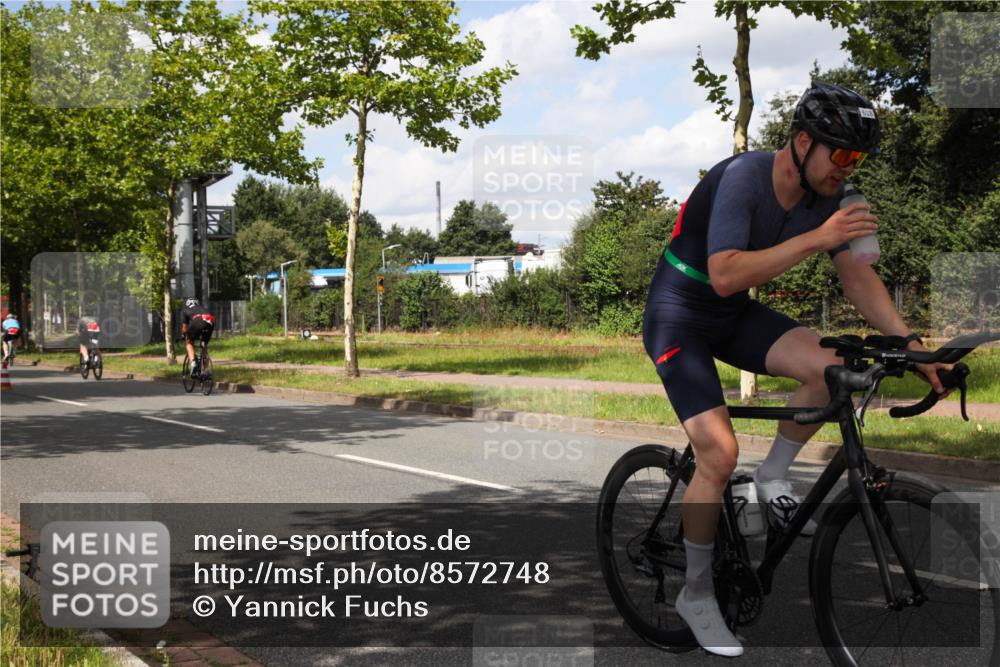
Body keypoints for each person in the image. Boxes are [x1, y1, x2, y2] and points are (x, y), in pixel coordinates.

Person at [642, 81, 951, 657]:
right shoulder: (744, 176)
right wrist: (819, 237)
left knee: (833, 367)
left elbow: (858, 276)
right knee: (719, 454)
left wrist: (912, 346)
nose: (848, 168)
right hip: (678, 313)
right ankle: (696, 593)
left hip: (733, 316)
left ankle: (772, 477)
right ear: (803, 142)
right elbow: (725, 275)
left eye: (858, 158)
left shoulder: (837, 196)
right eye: (842, 153)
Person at [180, 297, 215, 376]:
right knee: (204, 344)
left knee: (189, 342)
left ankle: (193, 363)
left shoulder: (185, 310)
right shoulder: (203, 308)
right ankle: (205, 369)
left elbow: (185, 328)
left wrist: (184, 335)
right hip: (210, 321)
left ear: (187, 304)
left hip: (198, 321)